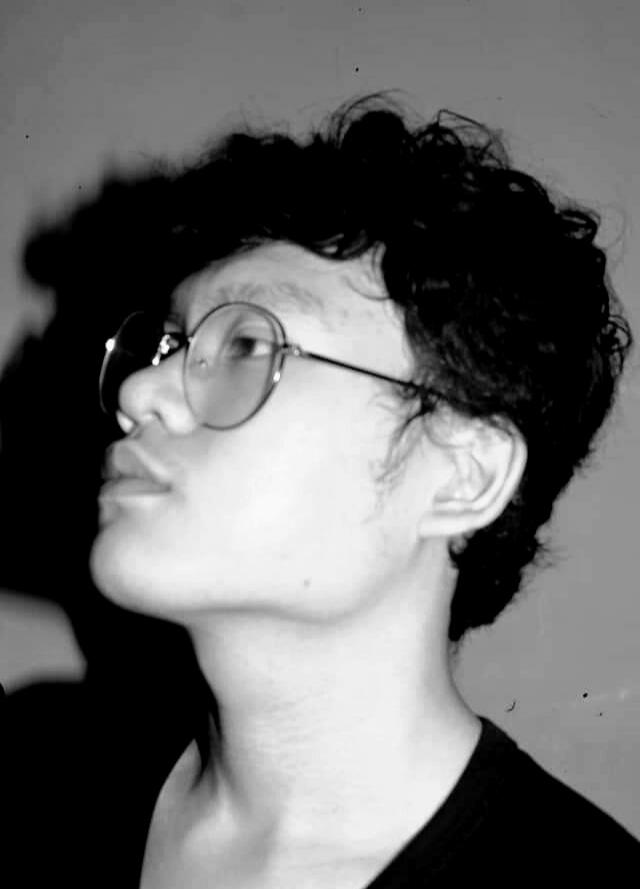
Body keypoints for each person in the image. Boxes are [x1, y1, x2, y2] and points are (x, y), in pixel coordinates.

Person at [4, 93, 639, 887]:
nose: (140, 392)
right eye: (167, 345)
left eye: (246, 345)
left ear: (463, 473)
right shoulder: (35, 772)